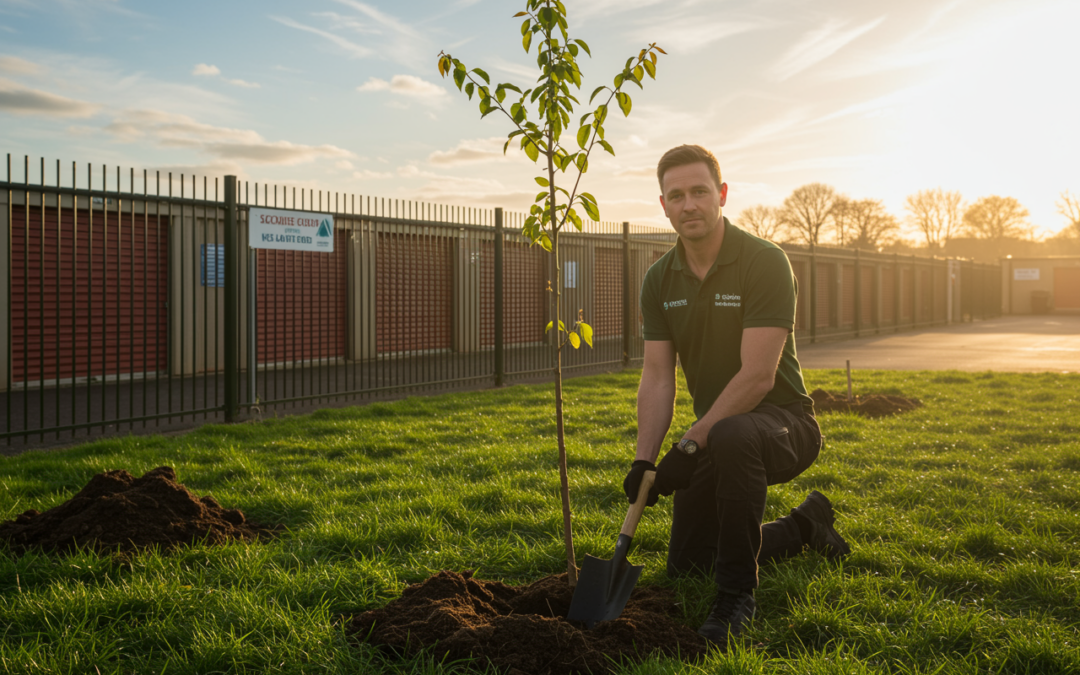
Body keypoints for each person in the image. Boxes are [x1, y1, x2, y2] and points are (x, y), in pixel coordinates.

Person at [622, 144, 850, 647]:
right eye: (675, 195)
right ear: (662, 205)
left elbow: (758, 378)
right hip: (719, 434)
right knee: (688, 560)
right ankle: (805, 527)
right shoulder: (659, 279)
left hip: (784, 425)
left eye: (699, 191)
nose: (689, 205)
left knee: (731, 433)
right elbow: (658, 376)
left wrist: (688, 446)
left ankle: (736, 596)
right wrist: (644, 461)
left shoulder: (764, 262)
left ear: (721, 194)